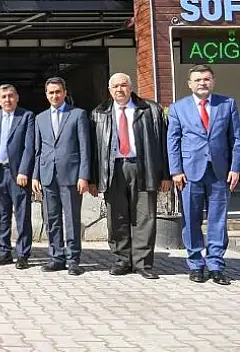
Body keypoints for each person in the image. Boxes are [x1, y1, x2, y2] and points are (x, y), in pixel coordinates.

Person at [89, 73, 170, 280]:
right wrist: (93, 179)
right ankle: (122, 261)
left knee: (144, 216)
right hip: (112, 169)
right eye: (115, 86)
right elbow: (94, 149)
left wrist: (165, 175)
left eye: (123, 85)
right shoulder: (99, 113)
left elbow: (163, 144)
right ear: (109, 90)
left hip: (143, 167)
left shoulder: (151, 110)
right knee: (117, 217)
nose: (120, 90)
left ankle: (143, 263)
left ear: (131, 87)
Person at [168, 64, 240, 285]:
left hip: (220, 172)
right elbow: (173, 141)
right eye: (198, 80)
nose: (202, 83)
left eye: (206, 79)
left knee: (218, 220)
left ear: (213, 81)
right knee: (191, 219)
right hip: (189, 173)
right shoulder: (178, 108)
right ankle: (196, 264)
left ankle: (216, 266)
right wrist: (176, 170)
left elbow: (236, 139)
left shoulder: (227, 104)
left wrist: (235, 168)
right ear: (189, 84)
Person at [32, 77, 90, 276]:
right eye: (51, 92)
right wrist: (35, 176)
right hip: (48, 175)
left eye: (58, 92)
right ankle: (56, 258)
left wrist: (84, 175)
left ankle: (73, 260)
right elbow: (38, 151)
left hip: (71, 176)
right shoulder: (40, 118)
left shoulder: (78, 115)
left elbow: (84, 148)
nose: (54, 95)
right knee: (51, 219)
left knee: (72, 219)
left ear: (65, 93)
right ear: (46, 95)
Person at [0, 84, 35, 269]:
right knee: (1, 215)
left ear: (17, 97)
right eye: (3, 97)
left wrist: (24, 171)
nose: (7, 99)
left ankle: (23, 254)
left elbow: (29, 147)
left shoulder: (26, 116)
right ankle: (4, 251)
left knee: (22, 216)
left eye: (10, 96)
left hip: (18, 175)